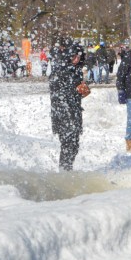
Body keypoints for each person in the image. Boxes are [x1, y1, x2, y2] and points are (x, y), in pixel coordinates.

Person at [49, 35, 86, 171]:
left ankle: (67, 168)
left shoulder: (77, 71)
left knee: (74, 144)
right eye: (74, 56)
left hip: (74, 111)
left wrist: (80, 91)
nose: (76, 59)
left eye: (79, 57)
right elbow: (56, 90)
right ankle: (64, 170)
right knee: (67, 143)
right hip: (62, 112)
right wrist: (74, 89)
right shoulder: (60, 69)